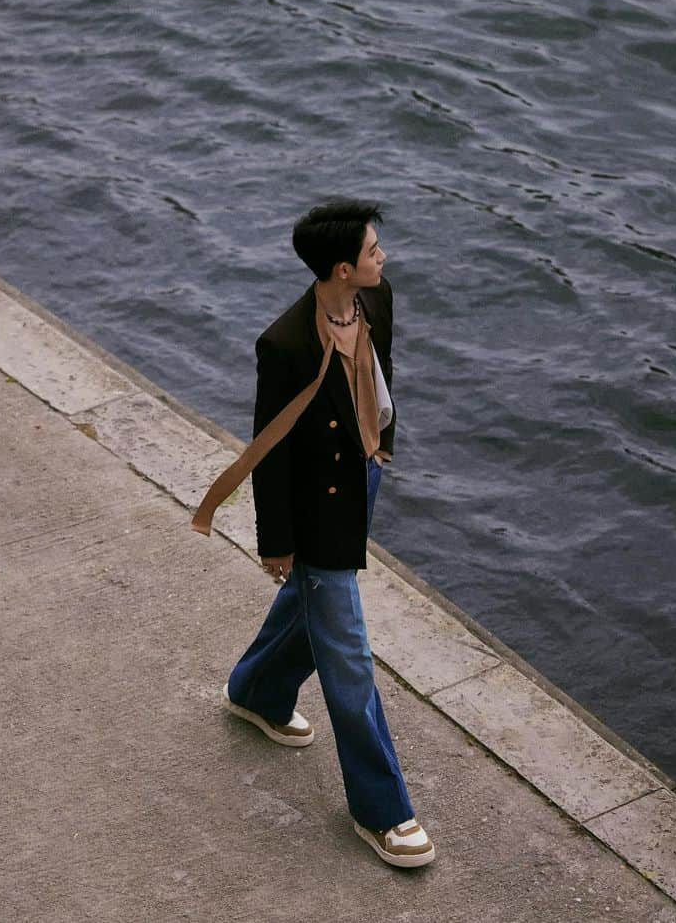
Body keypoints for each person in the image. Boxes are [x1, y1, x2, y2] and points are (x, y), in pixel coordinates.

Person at [192, 199, 434, 868]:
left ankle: (257, 692)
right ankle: (383, 811)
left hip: (364, 478)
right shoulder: (287, 344)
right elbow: (269, 450)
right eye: (373, 249)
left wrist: (380, 448)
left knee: (316, 609)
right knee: (350, 656)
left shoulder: (376, 303)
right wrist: (277, 540)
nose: (383, 256)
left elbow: (380, 380)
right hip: (317, 507)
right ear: (341, 269)